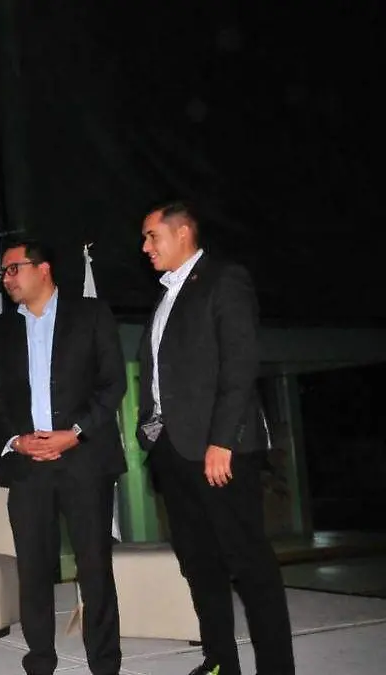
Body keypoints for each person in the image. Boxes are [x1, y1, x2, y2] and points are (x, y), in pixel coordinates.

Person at [137, 201, 294, 675]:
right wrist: (150, 435)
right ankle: (220, 662)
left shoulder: (224, 280)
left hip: (218, 450)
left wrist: (222, 441)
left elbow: (240, 364)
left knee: (249, 565)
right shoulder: (166, 295)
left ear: (183, 233)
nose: (145, 247)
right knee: (200, 564)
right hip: (173, 450)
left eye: (152, 236)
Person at [0, 238, 126, 675]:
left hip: (85, 460)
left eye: (13, 269)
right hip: (28, 467)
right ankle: (40, 661)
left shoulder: (91, 314)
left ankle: (105, 664)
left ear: (43, 269)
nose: (5, 279)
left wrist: (74, 433)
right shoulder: (0, 329)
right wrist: (16, 441)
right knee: (34, 569)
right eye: (2, 272)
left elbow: (112, 383)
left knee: (95, 567)